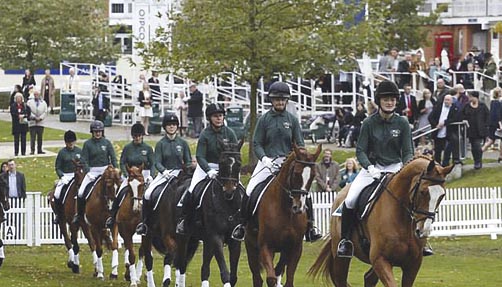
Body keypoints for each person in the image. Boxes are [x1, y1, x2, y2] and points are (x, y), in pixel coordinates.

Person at [231, 82, 322, 242]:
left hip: (289, 163)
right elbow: (257, 143)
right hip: (268, 161)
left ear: (287, 100)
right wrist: (265, 158)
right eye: (277, 99)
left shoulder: (292, 120)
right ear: (271, 100)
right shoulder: (264, 119)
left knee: (303, 191)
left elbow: (299, 143)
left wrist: (298, 157)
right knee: (250, 189)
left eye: (283, 99)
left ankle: (310, 227)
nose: (280, 102)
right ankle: (242, 225)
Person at [336, 80, 414, 258]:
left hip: (396, 168)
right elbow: (360, 150)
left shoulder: (402, 123)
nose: (390, 102)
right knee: (350, 199)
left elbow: (408, 150)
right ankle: (345, 241)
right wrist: (370, 168)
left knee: (414, 198)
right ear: (379, 101)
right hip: (372, 169)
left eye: (393, 99)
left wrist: (405, 167)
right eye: (386, 99)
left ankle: (420, 240)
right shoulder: (369, 123)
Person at [176, 103, 239, 235]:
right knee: (191, 191)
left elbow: (235, 153)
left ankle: (241, 223)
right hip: (207, 166)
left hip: (227, 168)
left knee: (242, 192)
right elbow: (199, 155)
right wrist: (209, 170)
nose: (219, 118)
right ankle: (184, 220)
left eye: (221, 116)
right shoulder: (205, 134)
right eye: (216, 116)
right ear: (210, 118)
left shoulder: (230, 133)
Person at [136, 114, 191, 236]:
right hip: (164, 174)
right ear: (165, 127)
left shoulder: (183, 143)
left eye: (174, 125)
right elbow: (157, 162)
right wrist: (164, 171)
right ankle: (144, 223)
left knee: (191, 193)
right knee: (148, 193)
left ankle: (192, 221)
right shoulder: (161, 143)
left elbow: (187, 161)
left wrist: (185, 170)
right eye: (169, 125)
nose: (171, 127)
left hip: (180, 174)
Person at [105, 122, 154, 229]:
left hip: (144, 174)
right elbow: (122, 162)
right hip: (131, 176)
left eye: (139, 136)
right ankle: (112, 218)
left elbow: (153, 163)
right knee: (119, 194)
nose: (137, 138)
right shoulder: (128, 148)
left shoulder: (148, 148)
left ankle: (152, 219)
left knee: (151, 195)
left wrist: (151, 175)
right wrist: (127, 174)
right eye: (135, 136)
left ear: (142, 136)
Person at [73, 121, 118, 224]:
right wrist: (88, 172)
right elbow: (84, 160)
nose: (98, 133)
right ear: (92, 132)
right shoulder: (87, 144)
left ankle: (115, 214)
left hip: (106, 170)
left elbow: (113, 158)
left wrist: (115, 169)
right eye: (95, 131)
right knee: (80, 193)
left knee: (117, 189)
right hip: (92, 170)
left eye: (99, 131)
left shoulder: (107, 143)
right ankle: (79, 215)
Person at [53, 130, 84, 223]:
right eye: (68, 142)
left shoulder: (79, 151)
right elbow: (57, 167)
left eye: (72, 142)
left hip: (78, 175)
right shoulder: (62, 153)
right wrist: (62, 176)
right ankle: (58, 214)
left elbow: (84, 164)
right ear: (65, 142)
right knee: (57, 194)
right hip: (66, 176)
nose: (70, 144)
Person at [428, 94, 461, 166]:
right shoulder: (438, 107)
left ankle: (450, 162)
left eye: (448, 100)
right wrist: (436, 125)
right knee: (438, 149)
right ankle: (437, 165)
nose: (446, 101)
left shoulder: (454, 108)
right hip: (438, 131)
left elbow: (455, 118)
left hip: (449, 131)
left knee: (451, 145)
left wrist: (445, 123)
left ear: (452, 101)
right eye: (445, 100)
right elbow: (430, 117)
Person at [460, 91, 490, 170]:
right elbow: (461, 114)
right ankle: (476, 161)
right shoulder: (466, 106)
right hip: (470, 129)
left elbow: (487, 115)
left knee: (477, 146)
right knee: (474, 146)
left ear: (475, 97)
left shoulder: (482, 106)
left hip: (480, 129)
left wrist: (486, 125)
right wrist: (464, 120)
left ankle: (478, 161)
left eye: (471, 97)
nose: (469, 98)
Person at [482, 87, 502, 160]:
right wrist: (500, 124)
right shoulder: (498, 103)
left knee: (491, 140)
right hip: (497, 124)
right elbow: (498, 115)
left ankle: (500, 156)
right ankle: (480, 152)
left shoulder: (493, 102)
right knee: (491, 140)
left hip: (492, 124)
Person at [27, 90, 48, 155]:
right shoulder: (29, 102)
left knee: (40, 137)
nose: (36, 96)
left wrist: (40, 118)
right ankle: (32, 150)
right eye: (35, 94)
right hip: (32, 122)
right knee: (32, 137)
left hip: (41, 122)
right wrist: (34, 117)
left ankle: (39, 150)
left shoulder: (43, 102)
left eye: (37, 94)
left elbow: (45, 111)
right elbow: (28, 111)